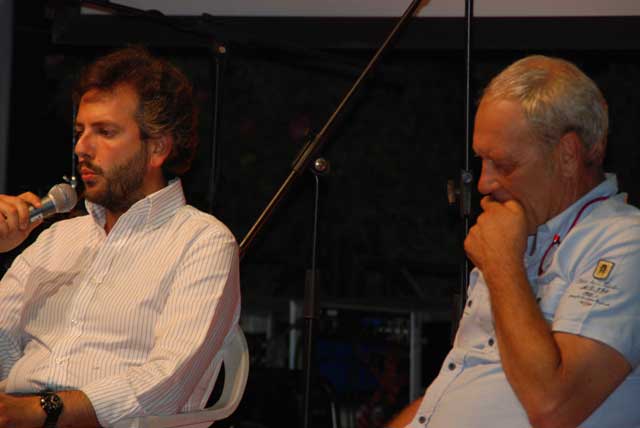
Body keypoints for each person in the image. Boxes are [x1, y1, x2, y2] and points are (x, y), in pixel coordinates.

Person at [388, 55, 640, 427]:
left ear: (567, 155)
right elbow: (466, 381)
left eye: (503, 165)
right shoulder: (520, 232)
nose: (484, 183)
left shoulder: (625, 241)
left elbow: (554, 406)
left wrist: (502, 263)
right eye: (481, 161)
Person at [0, 46, 240, 427]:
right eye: (80, 132)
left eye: (105, 132)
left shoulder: (202, 242)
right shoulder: (55, 239)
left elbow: (167, 383)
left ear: (157, 148)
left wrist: (42, 411)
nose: (81, 148)